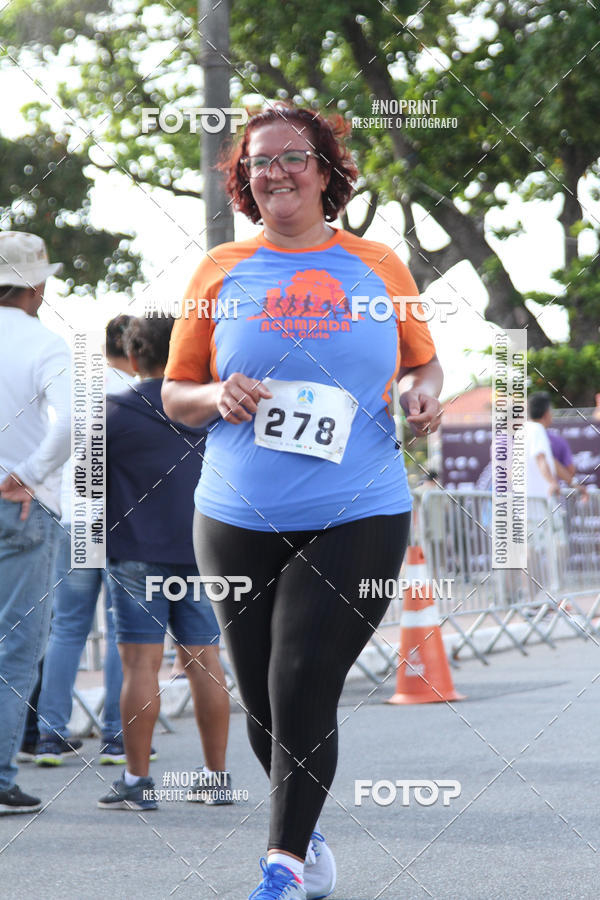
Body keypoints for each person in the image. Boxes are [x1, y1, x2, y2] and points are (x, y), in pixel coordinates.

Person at [162, 105, 443, 899]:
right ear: (244, 180)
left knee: (301, 677)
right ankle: (305, 836)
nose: (276, 172)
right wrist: (216, 394)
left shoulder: (379, 265)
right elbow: (177, 392)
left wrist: (421, 395)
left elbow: (424, 363)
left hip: (360, 507)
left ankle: (280, 866)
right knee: (263, 700)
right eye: (259, 162)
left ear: (325, 171)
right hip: (235, 514)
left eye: (292, 157)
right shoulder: (219, 270)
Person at [98, 313, 231, 811]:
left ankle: (137, 782)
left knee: (140, 665)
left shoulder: (113, 413)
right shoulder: (212, 410)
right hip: (201, 551)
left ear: (133, 357)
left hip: (135, 552)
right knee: (205, 662)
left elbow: (86, 481)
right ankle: (216, 779)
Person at [33, 316, 137, 766]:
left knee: (68, 628)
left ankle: (49, 736)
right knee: (121, 630)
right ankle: (117, 736)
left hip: (76, 519)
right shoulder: (139, 393)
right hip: (120, 524)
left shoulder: (79, 389)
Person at [0, 231, 70, 814]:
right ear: (37, 286)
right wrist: (28, 472)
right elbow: (75, 419)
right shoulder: (44, 343)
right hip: (19, 506)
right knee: (16, 648)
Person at [525, 393, 560, 500]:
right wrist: (552, 482)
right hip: (540, 499)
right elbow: (540, 458)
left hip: (527, 499)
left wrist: (573, 483)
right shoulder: (537, 429)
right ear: (546, 413)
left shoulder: (524, 429)